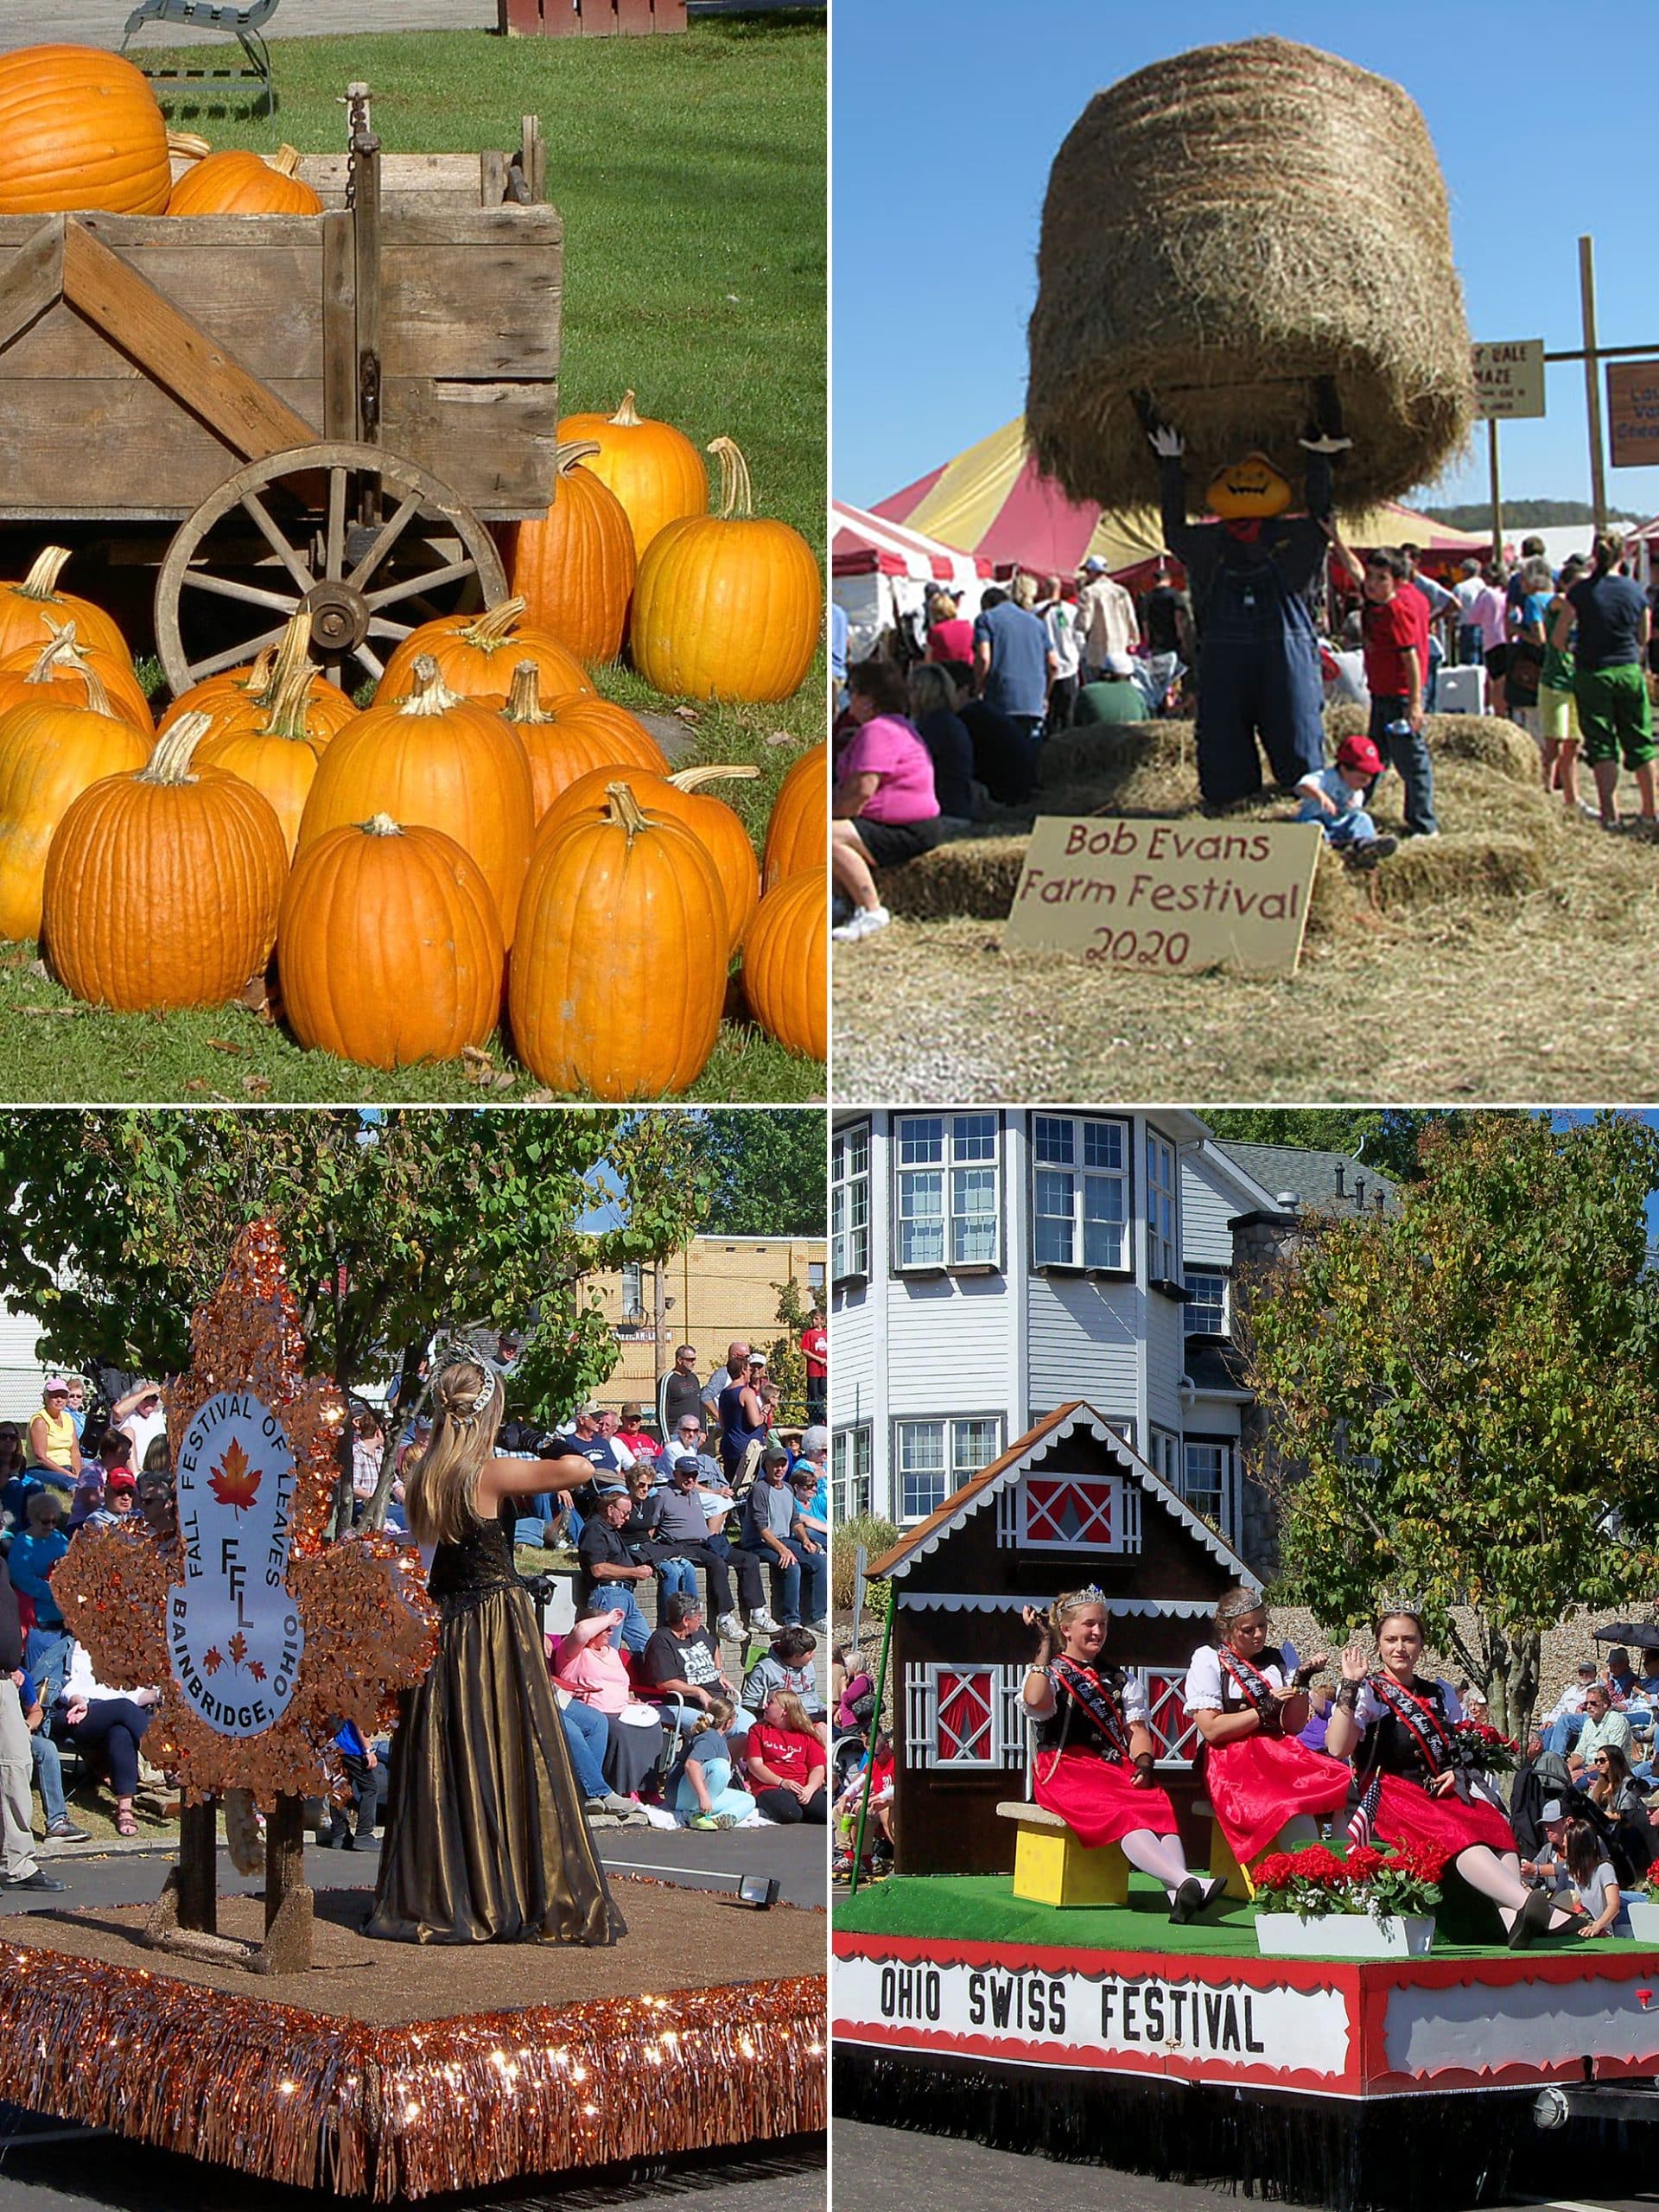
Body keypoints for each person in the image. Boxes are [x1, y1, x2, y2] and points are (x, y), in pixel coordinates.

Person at [367, 1352, 624, 1947]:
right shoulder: (489, 1471)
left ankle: (458, 1884)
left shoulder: (422, 1474)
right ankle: (510, 1887)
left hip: (444, 1624)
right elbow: (581, 1469)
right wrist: (534, 1437)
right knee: (513, 1747)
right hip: (491, 1622)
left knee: (450, 1753)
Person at [1324, 1609, 1573, 1948]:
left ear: (1422, 1646)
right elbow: (1338, 1748)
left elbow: (1458, 1744)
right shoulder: (1369, 1692)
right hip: (1390, 1794)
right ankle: (1524, 1901)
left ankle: (1512, 1916)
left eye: (1409, 1639)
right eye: (1391, 1640)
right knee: (1455, 1831)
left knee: (1492, 1823)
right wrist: (1350, 1685)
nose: (1400, 1648)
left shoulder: (1438, 1692)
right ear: (1379, 1645)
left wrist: (1456, 1771)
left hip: (1436, 1791)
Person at [1020, 1586, 1225, 1923]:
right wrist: (1043, 1648)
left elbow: (1137, 1732)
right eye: (1089, 1624)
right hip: (1066, 1771)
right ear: (1066, 1629)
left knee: (1156, 1802)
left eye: (1102, 1624)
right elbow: (1035, 1700)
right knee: (1126, 1813)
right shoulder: (1053, 1673)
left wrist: (1144, 1759)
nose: (1098, 1632)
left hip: (1110, 1768)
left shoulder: (1120, 1679)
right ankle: (1186, 1883)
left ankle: (1179, 1894)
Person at [1183, 1586, 1351, 1872]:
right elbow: (1212, 1729)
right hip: (1232, 1760)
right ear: (1228, 1630)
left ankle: (1343, 1870)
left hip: (1278, 1754)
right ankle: (1313, 1875)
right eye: (1249, 1630)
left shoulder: (1278, 1659)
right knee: (1287, 1803)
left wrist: (1301, 1681)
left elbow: (1294, 1724)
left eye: (1262, 1626)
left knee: (1339, 1779)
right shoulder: (1209, 1659)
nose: (1259, 1635)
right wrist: (1261, 1712)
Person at [1327, 540, 1438, 839]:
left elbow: (1411, 657)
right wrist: (1336, 539)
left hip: (1400, 695)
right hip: (1382, 692)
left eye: (1381, 579)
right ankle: (1356, 804)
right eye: (1372, 577)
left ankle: (1424, 825)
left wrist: (1414, 703)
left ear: (1398, 581)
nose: (1372, 584)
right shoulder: (1387, 599)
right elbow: (1356, 573)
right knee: (1375, 755)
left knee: (1412, 762)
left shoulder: (1395, 610)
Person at [832, 658, 942, 946]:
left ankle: (870, 909)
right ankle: (841, 901)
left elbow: (861, 791)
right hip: (896, 823)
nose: (849, 697)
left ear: (870, 700)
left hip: (906, 828)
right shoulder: (890, 727)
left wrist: (830, 815)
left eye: (853, 691)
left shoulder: (878, 731)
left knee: (826, 835)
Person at [1556, 531, 1656, 831]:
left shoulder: (1581, 592)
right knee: (1641, 743)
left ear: (1593, 555)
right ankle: (1651, 811)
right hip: (1627, 669)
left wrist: (1576, 647)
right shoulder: (1635, 591)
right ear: (1623, 556)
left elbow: (1559, 637)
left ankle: (1609, 815)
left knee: (1601, 746)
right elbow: (1644, 636)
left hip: (1593, 672)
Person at [550, 1603, 665, 1803]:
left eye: (612, 1629)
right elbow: (581, 1631)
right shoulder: (572, 1651)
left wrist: (631, 1700)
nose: (611, 1632)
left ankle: (648, 1787)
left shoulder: (612, 1653)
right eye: (605, 1629)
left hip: (622, 1708)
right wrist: (610, 1618)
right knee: (622, 1732)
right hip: (595, 1708)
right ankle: (623, 1789)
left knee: (654, 1727)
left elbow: (619, 1683)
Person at [54, 1639, 160, 1836]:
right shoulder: (66, 1645)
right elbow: (59, 1686)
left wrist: (161, 1694)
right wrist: (80, 1702)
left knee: (120, 1732)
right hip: (77, 1713)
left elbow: (131, 1694)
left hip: (116, 1712)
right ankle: (165, 1758)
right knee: (123, 1708)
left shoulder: (115, 1647)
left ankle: (125, 1811)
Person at [639, 1592, 741, 1735]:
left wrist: (720, 1672)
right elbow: (665, 1683)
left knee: (748, 1725)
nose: (701, 1618)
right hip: (683, 1704)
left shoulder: (699, 1632)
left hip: (718, 1703)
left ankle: (725, 1757)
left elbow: (714, 1647)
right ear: (686, 1620)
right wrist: (698, 1692)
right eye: (698, 1615)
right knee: (713, 1731)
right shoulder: (661, 1641)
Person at [973, 581, 1053, 757]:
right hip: (1033, 702)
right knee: (1032, 759)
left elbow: (984, 658)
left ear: (986, 605)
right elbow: (1054, 663)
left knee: (1000, 758)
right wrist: (1045, 694)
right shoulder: (1037, 623)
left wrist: (978, 687)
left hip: (1000, 699)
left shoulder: (986, 619)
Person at [741, 1446, 819, 1629]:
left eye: (783, 1465)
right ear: (766, 1466)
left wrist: (806, 1540)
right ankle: (791, 1620)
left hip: (784, 1539)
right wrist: (783, 1550)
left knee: (818, 1561)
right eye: (775, 1465)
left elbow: (795, 1521)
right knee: (791, 1565)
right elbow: (761, 1527)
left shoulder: (787, 1489)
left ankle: (818, 1617)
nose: (779, 1469)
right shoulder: (759, 1489)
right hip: (758, 1543)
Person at [1294, 733, 1398, 867]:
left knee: (1362, 818)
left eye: (1370, 779)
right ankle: (1319, 849)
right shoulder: (1327, 777)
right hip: (1318, 819)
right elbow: (1302, 786)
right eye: (1361, 778)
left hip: (1340, 828)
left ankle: (1366, 847)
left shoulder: (1358, 793)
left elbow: (1353, 812)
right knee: (1313, 828)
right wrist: (1320, 796)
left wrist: (1352, 809)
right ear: (1343, 769)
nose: (1366, 784)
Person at [575, 1484, 656, 1655]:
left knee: (650, 1650)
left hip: (625, 1596)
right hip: (609, 1594)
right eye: (625, 1513)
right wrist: (634, 1572)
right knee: (607, 1651)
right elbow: (598, 1568)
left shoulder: (611, 1531)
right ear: (610, 1509)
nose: (627, 1518)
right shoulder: (594, 1528)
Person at [905, 662, 976, 828]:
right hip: (958, 809)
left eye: (911, 690)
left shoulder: (933, 727)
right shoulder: (947, 722)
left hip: (944, 813)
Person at [745, 1688, 828, 1823]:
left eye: (770, 1703)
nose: (765, 1705)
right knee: (789, 1813)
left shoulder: (805, 1734)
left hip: (802, 1786)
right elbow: (755, 1765)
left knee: (824, 1813)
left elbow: (817, 1768)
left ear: (785, 1711)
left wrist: (810, 1788)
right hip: (770, 1785)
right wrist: (782, 1782)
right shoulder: (758, 1730)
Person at [1540, 556, 1583, 809]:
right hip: (1555, 681)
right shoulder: (1559, 604)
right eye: (1577, 584)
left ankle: (1572, 797)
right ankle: (1545, 793)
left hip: (1575, 682)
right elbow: (1556, 603)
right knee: (1553, 744)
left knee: (1573, 746)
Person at [672, 1696, 754, 1828]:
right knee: (720, 1766)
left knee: (748, 1800)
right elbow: (691, 1765)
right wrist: (703, 1797)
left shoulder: (720, 1738)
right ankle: (696, 1814)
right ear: (729, 1723)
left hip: (695, 1795)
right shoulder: (709, 1738)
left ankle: (716, 1819)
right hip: (680, 1794)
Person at [1075, 555, 1141, 686]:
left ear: (1093, 572)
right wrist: (1133, 640)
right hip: (1120, 649)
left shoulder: (1088, 593)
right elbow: (1131, 620)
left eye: (1088, 572)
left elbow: (1083, 625)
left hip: (1097, 652)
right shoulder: (1121, 591)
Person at [1562, 1815, 1630, 1937]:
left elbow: (1614, 1905)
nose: (1563, 1846)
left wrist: (1597, 1926)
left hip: (1604, 1935)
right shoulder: (1573, 1872)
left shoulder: (1605, 1869)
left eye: (1567, 1845)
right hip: (1582, 1932)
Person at [1037, 575, 1082, 732]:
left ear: (1045, 589)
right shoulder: (1071, 611)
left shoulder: (1035, 611)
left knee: (1049, 714)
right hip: (1069, 665)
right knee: (1068, 714)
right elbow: (1079, 638)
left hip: (1045, 667)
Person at [1567, 1681, 1632, 1789]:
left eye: (1593, 1703)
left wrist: (1583, 1772)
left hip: (1612, 1769)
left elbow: (1611, 1758)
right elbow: (1580, 1753)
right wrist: (1569, 1769)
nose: (1588, 1707)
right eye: (1586, 1704)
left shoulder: (1617, 1721)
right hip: (1589, 1767)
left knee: (1576, 1785)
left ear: (1605, 1704)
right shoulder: (1589, 1723)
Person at [28, 1379, 79, 1484]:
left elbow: (75, 1452)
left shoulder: (68, 1419)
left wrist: (78, 1473)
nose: (59, 1400)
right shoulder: (40, 1421)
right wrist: (69, 1475)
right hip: (42, 1469)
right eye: (55, 1396)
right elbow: (41, 1458)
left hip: (67, 1468)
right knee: (70, 1483)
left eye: (64, 1396)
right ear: (45, 1397)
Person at [660, 1344, 704, 1440]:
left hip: (694, 1435)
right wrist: (666, 1438)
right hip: (675, 1435)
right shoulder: (668, 1379)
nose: (693, 1363)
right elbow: (661, 1411)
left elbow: (701, 1404)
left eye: (694, 1359)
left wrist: (703, 1431)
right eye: (690, 1360)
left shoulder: (694, 1378)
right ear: (679, 1360)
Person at [924, 588, 975, 667]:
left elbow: (928, 660)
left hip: (944, 673)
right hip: (967, 670)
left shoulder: (935, 631)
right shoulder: (967, 626)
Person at [801, 1311, 827, 1427]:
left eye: (816, 1319)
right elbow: (805, 1350)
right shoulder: (809, 1334)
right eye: (813, 1319)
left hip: (825, 1371)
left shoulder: (827, 1334)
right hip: (814, 1371)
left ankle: (823, 1418)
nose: (813, 1321)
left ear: (822, 1320)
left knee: (823, 1393)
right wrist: (818, 1359)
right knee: (814, 1395)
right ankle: (815, 1419)